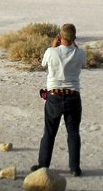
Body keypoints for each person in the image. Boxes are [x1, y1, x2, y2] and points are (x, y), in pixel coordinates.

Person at [32, 23, 86, 177]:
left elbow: (43, 64)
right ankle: (75, 168)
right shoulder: (80, 53)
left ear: (60, 37)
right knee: (73, 133)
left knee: (49, 133)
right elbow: (83, 63)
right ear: (74, 38)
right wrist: (74, 45)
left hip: (54, 96)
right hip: (73, 96)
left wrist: (53, 46)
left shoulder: (51, 52)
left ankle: (43, 165)